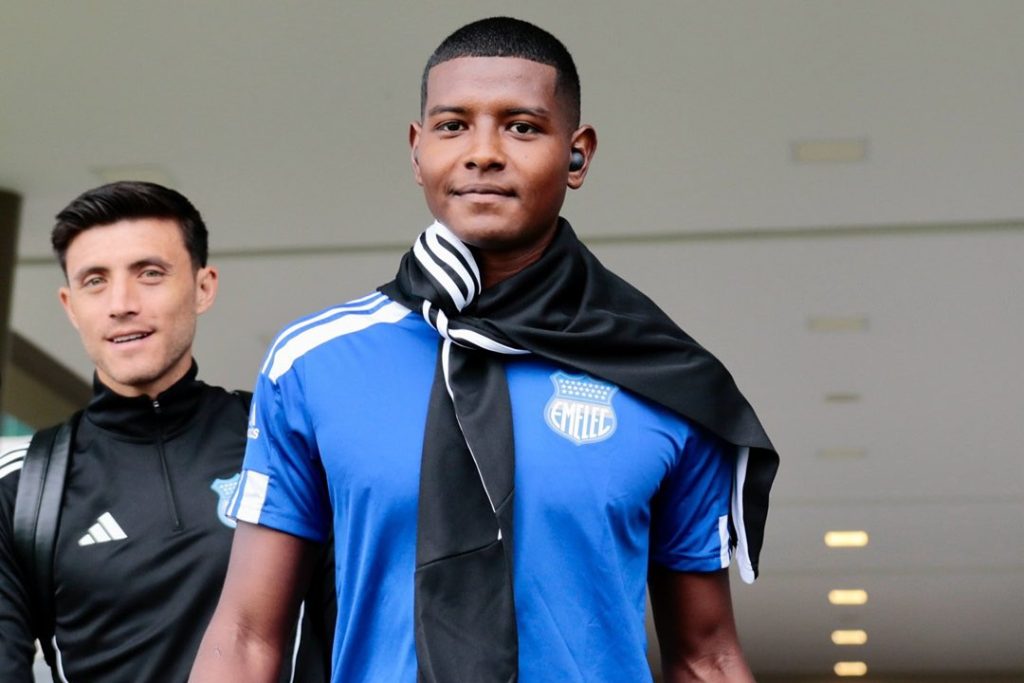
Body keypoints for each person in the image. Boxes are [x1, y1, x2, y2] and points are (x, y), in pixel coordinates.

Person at [192, 17, 779, 683]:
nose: (483, 153)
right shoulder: (312, 363)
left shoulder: (667, 380)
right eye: (453, 126)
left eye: (521, 127)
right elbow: (245, 637)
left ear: (578, 155)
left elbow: (706, 656)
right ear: (417, 150)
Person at [0, 181, 333, 682]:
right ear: (70, 306)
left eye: (149, 273)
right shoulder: (21, 490)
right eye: (95, 281)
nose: (121, 303)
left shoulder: (286, 439)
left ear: (203, 287)